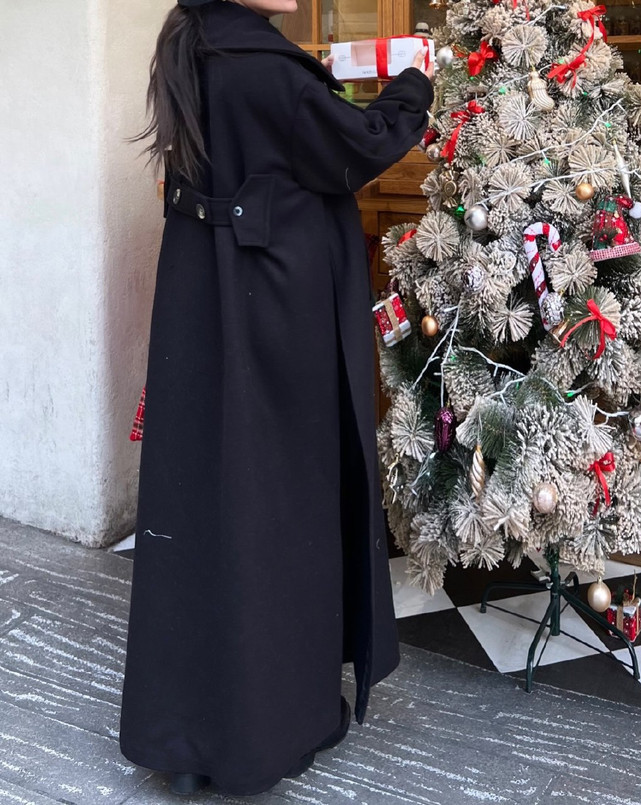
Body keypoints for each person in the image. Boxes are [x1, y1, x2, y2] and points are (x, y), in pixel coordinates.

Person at [118, 0, 434, 797]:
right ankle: (273, 726)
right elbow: (359, 145)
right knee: (281, 512)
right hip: (272, 321)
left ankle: (189, 726)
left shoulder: (192, 43)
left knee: (215, 509)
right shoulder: (261, 68)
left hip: (209, 312)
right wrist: (413, 85)